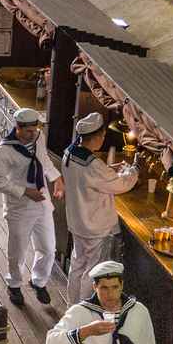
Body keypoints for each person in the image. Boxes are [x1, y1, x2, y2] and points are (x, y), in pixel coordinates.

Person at [55, 114, 140, 303]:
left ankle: (72, 306)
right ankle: (84, 310)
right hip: (94, 227)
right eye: (102, 136)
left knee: (77, 265)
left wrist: (110, 168)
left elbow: (91, 177)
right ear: (98, 136)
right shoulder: (93, 165)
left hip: (77, 222)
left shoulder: (70, 152)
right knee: (92, 271)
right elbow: (120, 185)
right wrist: (134, 170)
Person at [0, 107, 55, 306]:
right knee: (18, 250)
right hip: (19, 207)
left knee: (48, 247)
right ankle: (14, 284)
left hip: (42, 201)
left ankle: (38, 281)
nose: (33, 134)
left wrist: (57, 178)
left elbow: (43, 160)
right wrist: (26, 191)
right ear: (17, 127)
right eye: (28, 131)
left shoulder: (38, 137)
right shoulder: (4, 150)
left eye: (35, 130)